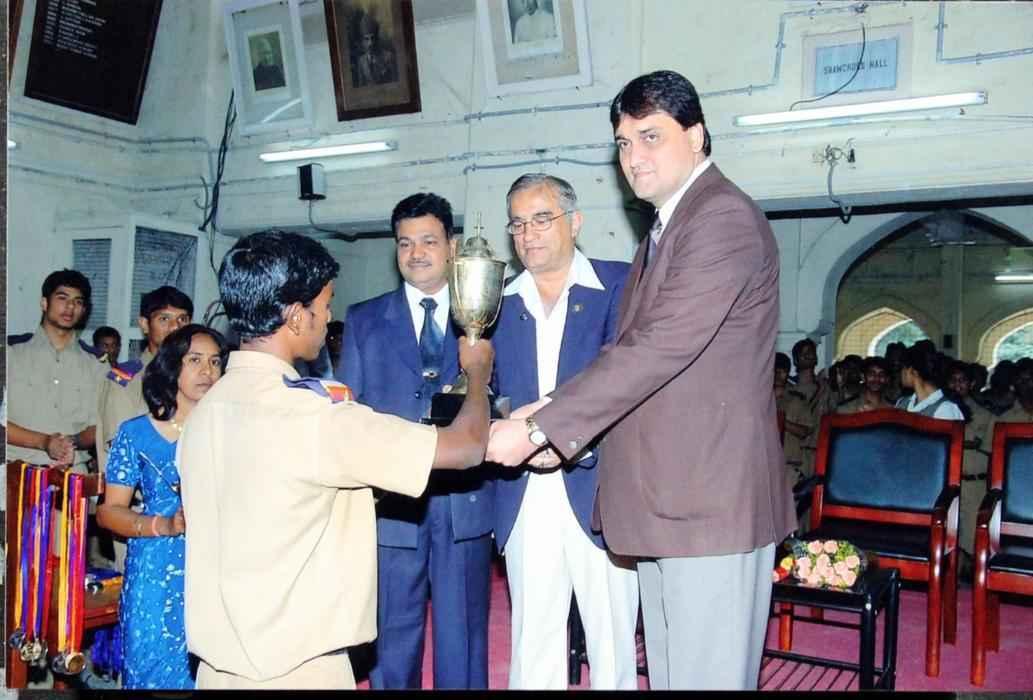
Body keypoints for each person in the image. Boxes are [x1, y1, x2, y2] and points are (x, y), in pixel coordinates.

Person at [486, 70, 795, 690]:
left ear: (696, 136)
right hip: (668, 501)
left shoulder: (720, 218)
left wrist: (541, 426)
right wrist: (545, 412)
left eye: (651, 136)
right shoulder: (666, 227)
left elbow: (661, 347)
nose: (634, 157)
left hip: (708, 503)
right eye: (624, 143)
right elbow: (631, 349)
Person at [179, 230, 494, 690]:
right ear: (295, 316)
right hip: (298, 670)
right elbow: (465, 447)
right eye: (325, 306)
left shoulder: (208, 408)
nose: (329, 319)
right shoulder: (314, 417)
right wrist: (478, 373)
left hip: (218, 668)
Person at [336, 194, 494, 689]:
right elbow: (347, 416)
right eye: (405, 243)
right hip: (392, 508)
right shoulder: (363, 319)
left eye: (428, 241)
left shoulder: (488, 313)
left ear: (452, 246)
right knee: (390, 642)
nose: (416, 253)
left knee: (463, 641)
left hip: (463, 502)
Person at [492, 174, 637, 690]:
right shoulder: (495, 302)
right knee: (533, 641)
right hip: (523, 489)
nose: (527, 233)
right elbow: (483, 390)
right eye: (517, 224)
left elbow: (625, 376)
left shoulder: (621, 284)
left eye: (541, 219)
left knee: (612, 640)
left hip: (601, 488)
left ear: (574, 223)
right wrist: (509, 430)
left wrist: (554, 431)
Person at [96, 324, 228, 689]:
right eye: (195, 360)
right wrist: (163, 525)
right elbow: (108, 511)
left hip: (217, 569)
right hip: (156, 570)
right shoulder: (135, 433)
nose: (207, 371)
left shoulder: (231, 432)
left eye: (215, 361)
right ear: (171, 366)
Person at [94, 286, 193, 571]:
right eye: (164, 319)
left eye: (182, 320)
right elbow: (119, 452)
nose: (175, 328)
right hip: (137, 510)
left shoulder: (197, 376)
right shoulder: (126, 380)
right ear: (144, 324)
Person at [7, 269, 107, 472]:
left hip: (72, 474)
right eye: (62, 298)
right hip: (14, 473)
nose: (70, 307)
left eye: (78, 302)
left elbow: (102, 425)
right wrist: (44, 442)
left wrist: (70, 443)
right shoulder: (11, 354)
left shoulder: (96, 365)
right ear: (44, 303)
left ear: (84, 310)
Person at [946, 360, 993, 563]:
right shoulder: (942, 411)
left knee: (973, 541)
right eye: (953, 380)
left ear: (972, 384)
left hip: (975, 485)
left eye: (962, 380)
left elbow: (989, 452)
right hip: (948, 486)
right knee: (947, 538)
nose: (958, 385)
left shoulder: (985, 415)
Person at [894, 343, 965, 420]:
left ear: (912, 371)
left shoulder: (946, 410)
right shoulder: (902, 403)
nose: (901, 373)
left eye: (903, 368)